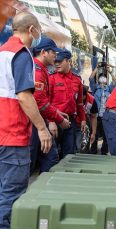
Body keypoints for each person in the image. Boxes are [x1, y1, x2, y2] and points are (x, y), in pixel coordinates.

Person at [0, 12, 52, 229]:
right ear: (32, 30)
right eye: (38, 29)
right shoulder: (21, 54)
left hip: (2, 133)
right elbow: (24, 96)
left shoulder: (3, 52)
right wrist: (42, 128)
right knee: (12, 195)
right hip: (13, 135)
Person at [30, 36, 71, 173]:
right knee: (30, 163)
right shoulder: (37, 71)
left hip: (38, 122)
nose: (55, 56)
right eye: (53, 52)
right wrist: (59, 119)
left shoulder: (41, 70)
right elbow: (39, 102)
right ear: (44, 53)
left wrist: (56, 113)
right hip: (33, 124)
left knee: (50, 157)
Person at [49, 49, 86, 157]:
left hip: (71, 121)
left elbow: (79, 103)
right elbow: (46, 102)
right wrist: (51, 121)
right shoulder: (51, 78)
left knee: (69, 154)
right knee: (51, 155)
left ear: (68, 61)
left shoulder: (77, 80)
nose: (56, 64)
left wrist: (83, 119)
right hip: (55, 120)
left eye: (59, 61)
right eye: (55, 61)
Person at [89, 64, 116, 154]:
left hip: (106, 116)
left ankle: (104, 151)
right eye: (101, 77)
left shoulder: (109, 89)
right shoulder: (95, 88)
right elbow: (91, 78)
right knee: (95, 133)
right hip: (96, 116)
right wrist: (97, 68)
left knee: (106, 135)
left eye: (104, 78)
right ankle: (93, 151)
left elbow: (115, 82)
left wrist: (110, 71)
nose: (103, 79)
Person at [75, 85, 98, 153]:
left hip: (84, 125)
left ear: (85, 95)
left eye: (81, 97)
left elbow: (93, 117)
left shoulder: (92, 100)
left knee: (82, 147)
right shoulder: (72, 98)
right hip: (71, 122)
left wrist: (93, 133)